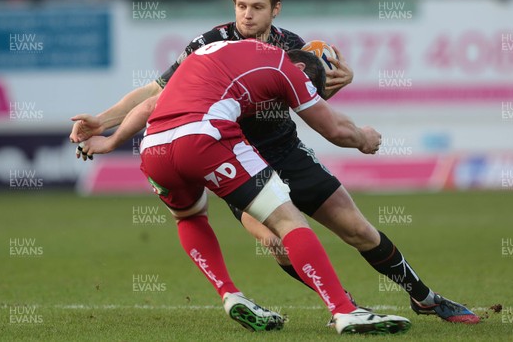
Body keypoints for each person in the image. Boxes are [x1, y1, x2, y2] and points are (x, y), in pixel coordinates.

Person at [70, 0, 479, 325]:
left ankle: (424, 297)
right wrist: (101, 120)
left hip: (285, 150)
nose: (246, 14)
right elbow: (154, 93)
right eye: (241, 5)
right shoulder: (209, 43)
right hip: (230, 155)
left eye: (257, 7)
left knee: (357, 230)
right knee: (276, 242)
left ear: (276, 10)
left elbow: (313, 107)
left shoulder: (293, 47)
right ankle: (343, 304)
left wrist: (336, 85)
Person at [80, 39, 412, 335]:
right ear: (300, 67)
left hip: (154, 146)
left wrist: (110, 141)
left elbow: (151, 105)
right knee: (287, 220)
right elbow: (337, 130)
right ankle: (344, 310)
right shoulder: (286, 67)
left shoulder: (203, 52)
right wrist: (365, 138)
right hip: (205, 136)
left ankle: (229, 293)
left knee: (189, 218)